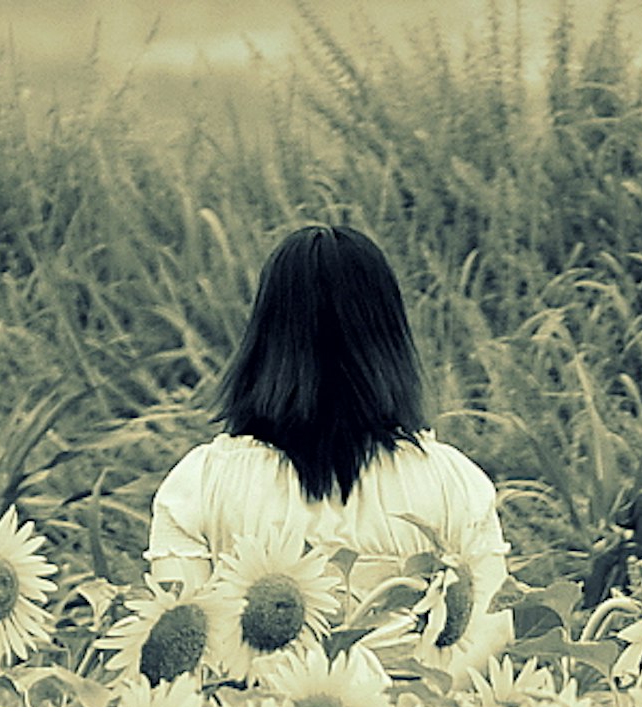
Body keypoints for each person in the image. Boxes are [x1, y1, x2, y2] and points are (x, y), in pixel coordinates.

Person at [147, 223, 507, 640]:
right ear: (391, 339)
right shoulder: (454, 484)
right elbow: (488, 640)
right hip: (427, 703)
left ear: (264, 337)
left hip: (247, 705)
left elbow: (184, 655)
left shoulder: (198, 487)